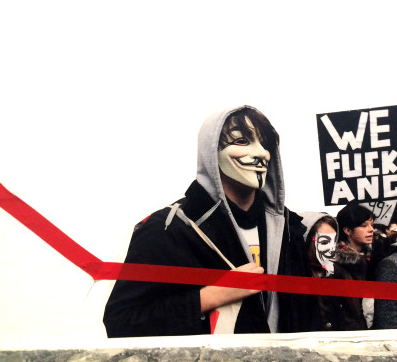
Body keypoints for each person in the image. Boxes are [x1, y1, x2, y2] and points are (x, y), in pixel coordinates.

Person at [103, 106, 309, 337]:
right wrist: (212, 296)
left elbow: (308, 317)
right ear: (210, 151)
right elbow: (121, 321)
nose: (260, 153)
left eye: (265, 143)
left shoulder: (289, 229)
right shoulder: (168, 229)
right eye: (241, 141)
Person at [299, 211, 368, 331]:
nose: (331, 248)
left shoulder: (342, 272)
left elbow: (355, 318)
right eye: (324, 242)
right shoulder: (298, 278)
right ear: (306, 241)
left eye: (333, 240)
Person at [334, 201, 375, 329]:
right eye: (364, 225)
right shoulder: (337, 265)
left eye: (372, 225)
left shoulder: (372, 258)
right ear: (347, 230)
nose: (371, 229)